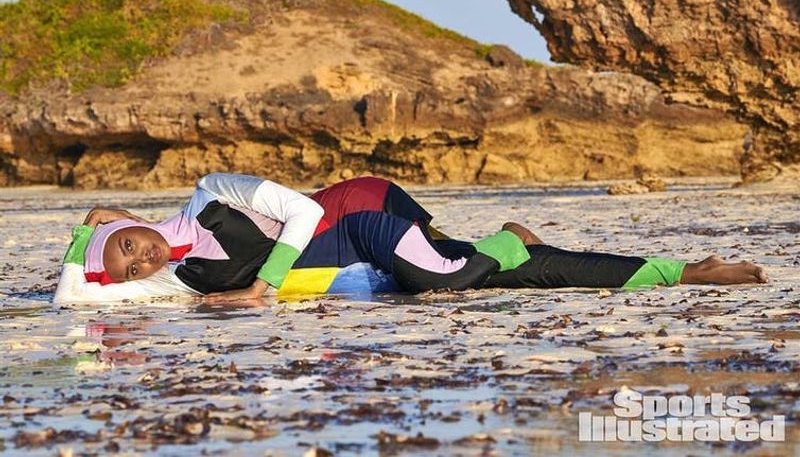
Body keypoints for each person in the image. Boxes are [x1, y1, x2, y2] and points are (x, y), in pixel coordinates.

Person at [54, 173, 767, 304]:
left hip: (358, 214)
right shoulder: (180, 278)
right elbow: (73, 288)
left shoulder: (210, 195)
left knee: (443, 279)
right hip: (361, 252)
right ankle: (684, 270)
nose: (141, 258)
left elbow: (299, 214)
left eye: (130, 244)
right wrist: (87, 234)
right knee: (507, 277)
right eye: (129, 266)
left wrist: (260, 290)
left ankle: (506, 236)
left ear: (133, 223)